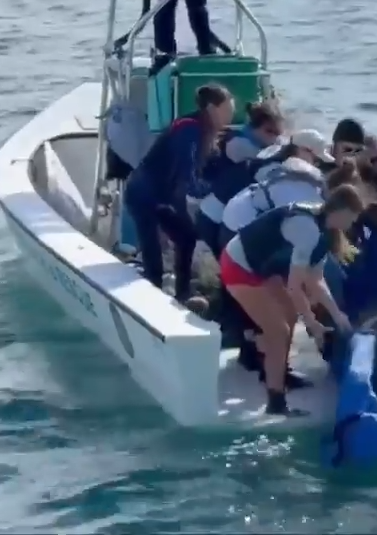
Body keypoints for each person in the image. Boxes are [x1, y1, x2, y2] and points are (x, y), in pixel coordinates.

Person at [218, 186, 363, 415]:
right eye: (352, 218)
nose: (353, 223)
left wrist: (337, 314)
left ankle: (278, 371)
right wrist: (312, 324)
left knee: (288, 312)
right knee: (278, 331)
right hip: (238, 266)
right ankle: (276, 402)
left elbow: (316, 281)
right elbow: (295, 287)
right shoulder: (307, 228)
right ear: (342, 211)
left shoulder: (325, 234)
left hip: (263, 270)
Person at [124, 83, 235, 303]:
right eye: (228, 111)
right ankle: (152, 294)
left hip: (164, 196)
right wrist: (210, 195)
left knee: (186, 238)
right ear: (212, 109)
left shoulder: (209, 132)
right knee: (151, 246)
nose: (231, 116)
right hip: (142, 193)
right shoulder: (189, 129)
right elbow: (188, 176)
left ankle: (183, 294)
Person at [196, 101, 285, 259]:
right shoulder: (239, 145)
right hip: (213, 217)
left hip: (222, 211)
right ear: (254, 128)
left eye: (278, 133)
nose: (274, 138)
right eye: (269, 132)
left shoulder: (258, 142)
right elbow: (264, 161)